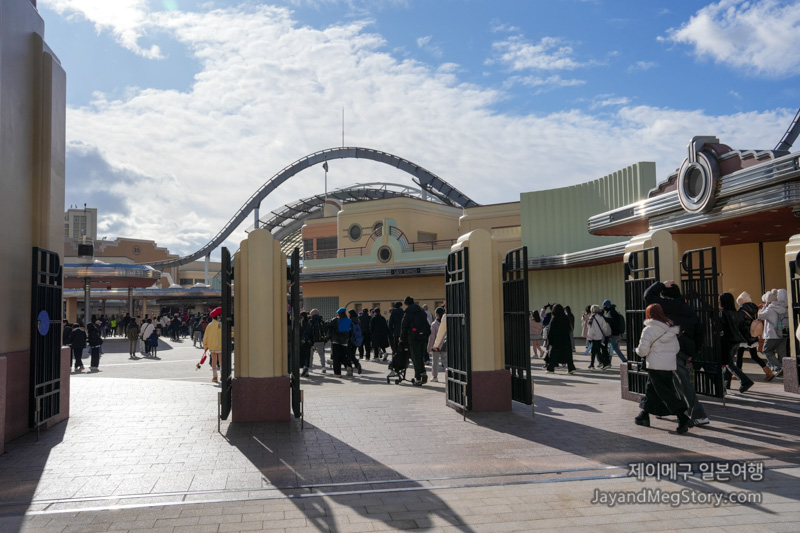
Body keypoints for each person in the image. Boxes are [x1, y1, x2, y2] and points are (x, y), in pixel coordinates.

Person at [643, 280, 710, 426]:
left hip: (664, 349)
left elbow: (648, 296)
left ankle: (697, 414)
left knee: (669, 382)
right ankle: (664, 410)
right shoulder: (688, 308)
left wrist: (661, 284)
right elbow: (699, 332)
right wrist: (694, 350)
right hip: (683, 348)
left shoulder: (664, 305)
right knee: (674, 382)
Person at [634, 304, 692, 434]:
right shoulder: (670, 329)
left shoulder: (648, 330)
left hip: (655, 365)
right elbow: (676, 348)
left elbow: (643, 351)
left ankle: (683, 418)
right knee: (651, 390)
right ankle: (643, 415)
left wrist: (636, 350)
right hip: (668, 366)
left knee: (665, 393)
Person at [719, 292, 755, 393]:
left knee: (727, 363)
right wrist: (749, 340)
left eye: (719, 301)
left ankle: (745, 381)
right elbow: (743, 329)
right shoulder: (737, 313)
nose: (718, 302)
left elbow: (720, 328)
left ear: (723, 302)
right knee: (728, 362)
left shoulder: (722, 314)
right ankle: (726, 384)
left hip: (727, 341)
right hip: (736, 341)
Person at [736, 292, 774, 381]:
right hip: (752, 335)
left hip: (744, 337)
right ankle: (768, 371)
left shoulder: (741, 311)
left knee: (739, 355)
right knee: (754, 356)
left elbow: (740, 324)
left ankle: (738, 373)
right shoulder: (753, 308)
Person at [400, 296, 430, 385]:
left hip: (413, 337)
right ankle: (423, 372)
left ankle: (418, 378)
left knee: (415, 358)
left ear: (406, 304)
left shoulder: (408, 312)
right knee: (421, 356)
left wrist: (402, 338)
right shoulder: (421, 311)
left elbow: (404, 326)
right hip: (423, 337)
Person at [759, 289, 788, 378]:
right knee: (782, 352)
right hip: (783, 332)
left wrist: (765, 306)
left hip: (772, 334)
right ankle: (786, 370)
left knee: (766, 351)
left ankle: (778, 367)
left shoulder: (770, 308)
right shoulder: (784, 307)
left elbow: (760, 316)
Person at [545, 304, 576, 374]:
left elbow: (551, 331)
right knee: (568, 355)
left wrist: (549, 341)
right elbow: (569, 329)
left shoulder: (554, 318)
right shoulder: (566, 318)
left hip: (556, 340)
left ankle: (550, 369)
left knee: (553, 355)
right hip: (566, 340)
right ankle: (571, 368)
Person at [327, 308, 353, 376]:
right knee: (344, 356)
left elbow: (328, 325)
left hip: (336, 341)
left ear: (339, 313)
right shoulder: (349, 320)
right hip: (345, 341)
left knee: (336, 358)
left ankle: (337, 373)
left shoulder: (336, 320)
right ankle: (348, 366)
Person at [585, 305, 611, 370]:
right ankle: (592, 364)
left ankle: (604, 363)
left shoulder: (591, 318)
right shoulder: (601, 317)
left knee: (596, 351)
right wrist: (605, 333)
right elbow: (605, 327)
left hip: (594, 337)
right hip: (600, 337)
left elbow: (590, 329)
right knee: (594, 351)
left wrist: (589, 337)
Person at [203, 307, 223, 383]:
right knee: (221, 361)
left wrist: (205, 346)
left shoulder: (209, 325)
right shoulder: (221, 324)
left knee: (213, 361)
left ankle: (215, 377)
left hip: (211, 346)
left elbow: (205, 336)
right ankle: (222, 375)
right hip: (220, 345)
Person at [428, 307, 447, 382]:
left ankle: (434, 376)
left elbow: (432, 337)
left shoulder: (434, 324)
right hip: (444, 344)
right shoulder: (446, 322)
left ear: (436, 314)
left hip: (436, 345)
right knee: (445, 360)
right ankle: (449, 375)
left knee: (435, 362)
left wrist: (429, 347)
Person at [347, 309, 364, 375]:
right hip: (356, 339)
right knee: (352, 354)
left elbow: (349, 330)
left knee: (349, 355)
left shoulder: (350, 321)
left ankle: (352, 368)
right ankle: (357, 364)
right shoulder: (357, 320)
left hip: (350, 340)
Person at [299, 311, 313, 377]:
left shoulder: (299, 324)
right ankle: (306, 369)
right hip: (308, 343)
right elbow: (312, 334)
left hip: (301, 343)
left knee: (301, 356)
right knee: (307, 356)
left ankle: (302, 368)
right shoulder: (309, 325)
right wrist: (312, 342)